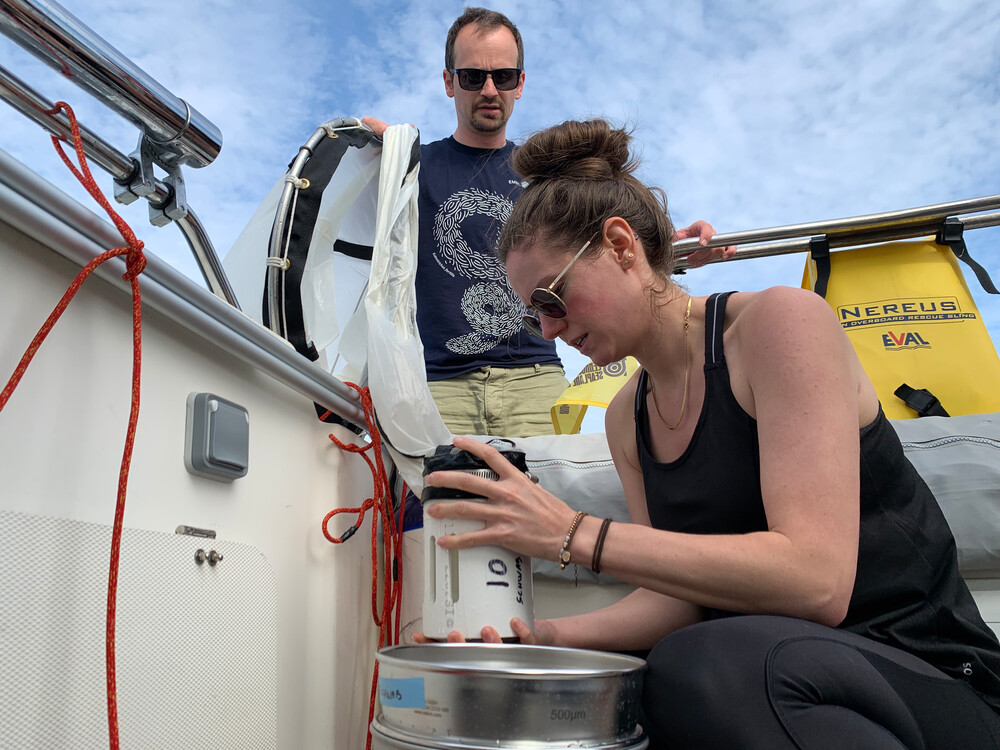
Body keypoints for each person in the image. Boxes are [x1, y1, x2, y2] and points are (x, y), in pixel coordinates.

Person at [419, 118, 1000, 749]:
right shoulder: (625, 418)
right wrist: (538, 641)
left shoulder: (777, 326)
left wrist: (572, 534)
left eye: (552, 300)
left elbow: (817, 580)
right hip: (777, 677)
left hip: (925, 674)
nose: (548, 331)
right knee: (627, 688)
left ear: (620, 246)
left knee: (700, 667)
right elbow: (676, 602)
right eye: (533, 316)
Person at [363, 7, 733, 438]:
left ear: (519, 83)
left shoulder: (547, 177)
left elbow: (607, 246)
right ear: (449, 82)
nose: (488, 89)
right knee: (440, 504)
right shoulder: (411, 169)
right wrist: (385, 162)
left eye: (502, 77)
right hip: (439, 384)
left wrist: (674, 251)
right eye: (471, 77)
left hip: (536, 379)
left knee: (554, 500)